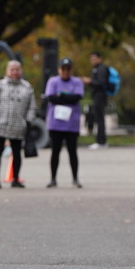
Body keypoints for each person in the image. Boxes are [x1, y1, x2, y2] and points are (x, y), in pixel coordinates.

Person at [0, 60, 36, 188]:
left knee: (17, 154)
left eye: (17, 69)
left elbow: (32, 107)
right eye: (12, 70)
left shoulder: (27, 87)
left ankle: (15, 179)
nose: (14, 72)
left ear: (21, 71)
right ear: (7, 71)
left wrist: (28, 121)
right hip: (0, 125)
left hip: (18, 126)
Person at [44, 57, 84, 188]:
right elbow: (51, 98)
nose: (66, 71)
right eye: (63, 69)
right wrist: (67, 97)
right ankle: (53, 178)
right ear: (59, 70)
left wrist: (61, 95)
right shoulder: (53, 81)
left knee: (72, 151)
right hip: (56, 123)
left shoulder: (77, 81)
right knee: (55, 151)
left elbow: (77, 97)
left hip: (72, 124)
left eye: (68, 69)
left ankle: (75, 178)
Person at [82, 51, 108, 148]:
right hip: (96, 95)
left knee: (100, 119)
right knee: (97, 117)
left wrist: (90, 81)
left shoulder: (102, 68)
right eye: (91, 59)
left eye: (94, 58)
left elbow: (101, 82)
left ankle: (101, 142)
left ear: (99, 58)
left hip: (100, 96)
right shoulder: (95, 69)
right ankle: (100, 140)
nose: (92, 60)